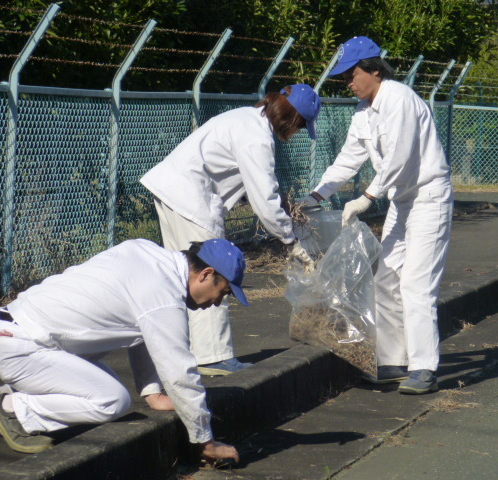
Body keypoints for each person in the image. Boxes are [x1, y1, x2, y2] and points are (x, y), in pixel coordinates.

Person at [0, 238, 246, 461]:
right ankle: (14, 407)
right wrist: (206, 442)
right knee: (111, 400)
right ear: (206, 274)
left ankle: (14, 394)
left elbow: (146, 333)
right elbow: (179, 372)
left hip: (19, 335)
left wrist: (152, 393)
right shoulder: (163, 294)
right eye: (223, 292)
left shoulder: (148, 254)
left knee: (106, 386)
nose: (216, 302)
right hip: (22, 347)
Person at [300, 37, 453, 394]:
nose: (347, 83)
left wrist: (368, 197)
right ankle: (393, 361)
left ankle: (424, 368)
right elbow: (348, 160)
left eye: (351, 75)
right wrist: (317, 195)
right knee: (386, 279)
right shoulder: (364, 111)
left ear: (373, 69)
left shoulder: (398, 99)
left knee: (416, 283)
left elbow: (399, 157)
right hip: (403, 201)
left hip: (429, 197)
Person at [140, 84, 321, 376]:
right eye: (300, 126)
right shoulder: (257, 138)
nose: (297, 132)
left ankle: (179, 352)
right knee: (212, 274)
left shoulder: (244, 118)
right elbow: (265, 198)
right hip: (191, 199)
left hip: (171, 192)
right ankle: (213, 356)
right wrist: (291, 240)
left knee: (181, 277)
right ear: (292, 118)